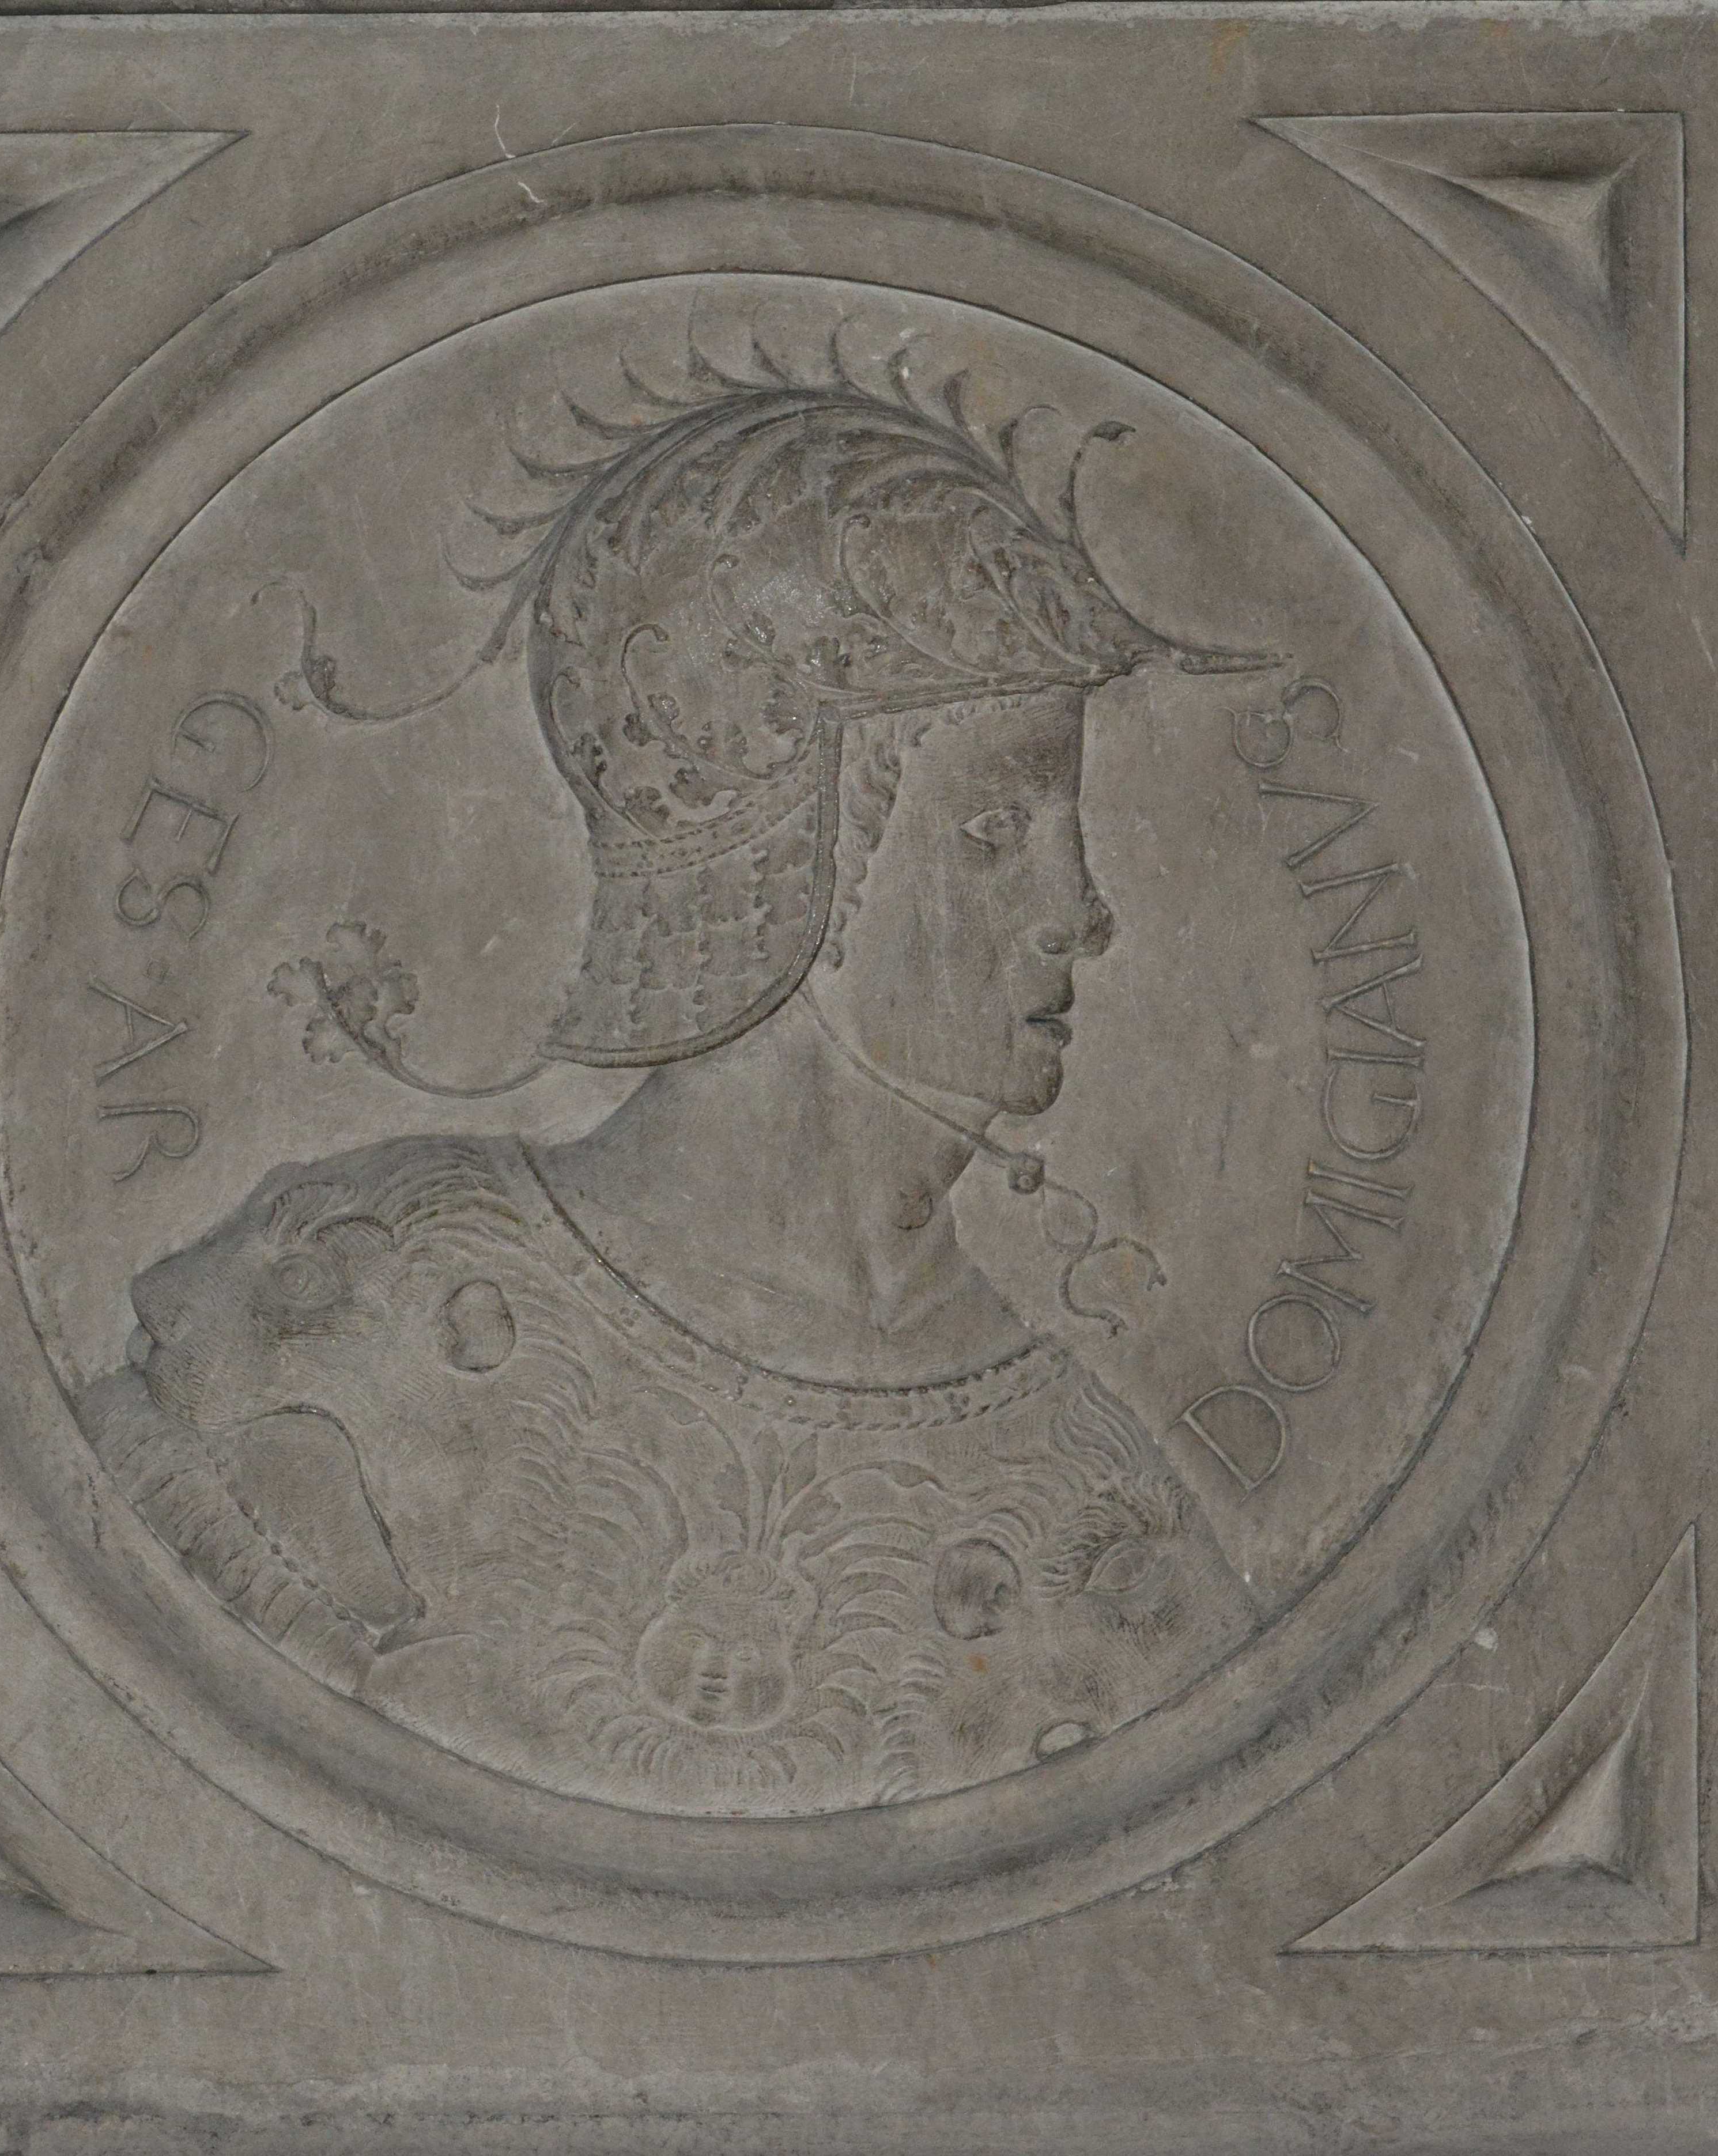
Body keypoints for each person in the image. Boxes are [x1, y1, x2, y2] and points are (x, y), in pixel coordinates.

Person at [80, 373, 1262, 1813]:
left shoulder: (1092, 1506)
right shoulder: (358, 1309)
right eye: (997, 830)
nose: (1079, 913)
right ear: (790, 866)